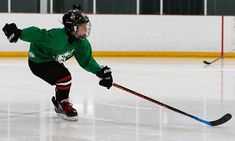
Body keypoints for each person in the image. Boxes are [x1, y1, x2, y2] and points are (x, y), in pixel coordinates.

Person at [2, 9, 113, 121]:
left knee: (64, 78)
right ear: (72, 27)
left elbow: (86, 61)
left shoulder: (81, 43)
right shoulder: (57, 37)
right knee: (64, 77)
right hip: (38, 61)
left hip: (51, 60)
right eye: (82, 26)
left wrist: (100, 72)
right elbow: (38, 34)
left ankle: (61, 102)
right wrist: (19, 33)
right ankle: (62, 104)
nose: (85, 29)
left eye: (85, 26)